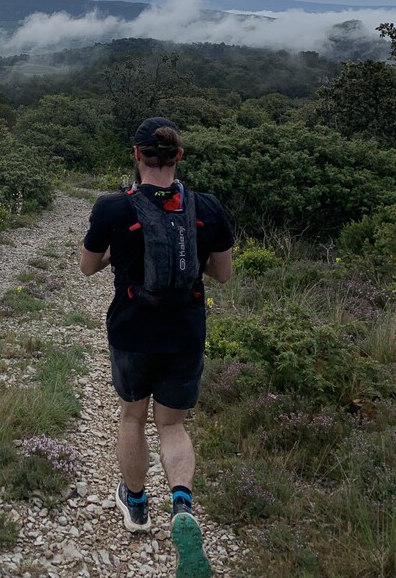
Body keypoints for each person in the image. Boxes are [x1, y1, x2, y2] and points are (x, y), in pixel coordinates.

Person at [80, 117, 233, 578]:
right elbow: (222, 274)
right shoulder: (208, 207)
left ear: (137, 155)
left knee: (132, 417)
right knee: (172, 425)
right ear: (178, 156)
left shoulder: (112, 208)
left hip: (131, 333)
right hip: (185, 334)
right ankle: (181, 505)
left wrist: (117, 251)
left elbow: (87, 267)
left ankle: (137, 504)